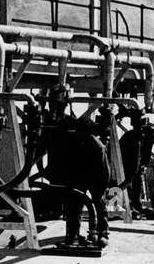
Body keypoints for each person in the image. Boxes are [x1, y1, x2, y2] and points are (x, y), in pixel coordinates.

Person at [39, 84, 110, 248]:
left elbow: (98, 131)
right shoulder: (55, 126)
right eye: (53, 104)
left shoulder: (80, 128)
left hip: (93, 171)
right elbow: (45, 147)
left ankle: (101, 233)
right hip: (75, 172)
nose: (55, 108)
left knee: (98, 201)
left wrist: (107, 118)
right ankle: (73, 237)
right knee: (73, 204)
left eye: (57, 104)